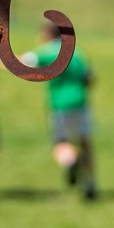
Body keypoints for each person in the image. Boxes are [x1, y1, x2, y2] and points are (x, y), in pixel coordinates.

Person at [25, 19, 96, 200]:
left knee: (60, 142)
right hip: (80, 102)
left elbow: (22, 65)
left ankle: (71, 161)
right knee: (85, 143)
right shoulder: (77, 53)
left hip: (59, 105)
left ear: (48, 34)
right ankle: (90, 184)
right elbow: (90, 77)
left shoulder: (46, 52)